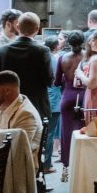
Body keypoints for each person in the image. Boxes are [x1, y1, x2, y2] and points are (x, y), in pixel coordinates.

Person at [0, 70, 46, 179]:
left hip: (19, 168)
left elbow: (17, 150)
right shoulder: (3, 105)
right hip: (4, 159)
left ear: (7, 91)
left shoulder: (26, 114)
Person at [0, 11, 53, 124]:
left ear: (18, 27)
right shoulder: (42, 51)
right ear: (37, 29)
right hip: (36, 107)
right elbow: (48, 80)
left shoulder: (2, 51)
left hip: (9, 107)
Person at [54, 30, 85, 181]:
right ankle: (83, 166)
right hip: (85, 95)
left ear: (68, 43)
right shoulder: (88, 57)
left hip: (67, 96)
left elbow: (56, 81)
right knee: (84, 130)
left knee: (66, 133)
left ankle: (65, 167)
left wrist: (66, 80)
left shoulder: (63, 58)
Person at [44, 35, 63, 174]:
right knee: (49, 133)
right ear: (56, 47)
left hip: (44, 99)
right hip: (54, 100)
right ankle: (46, 164)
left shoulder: (42, 58)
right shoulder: (54, 60)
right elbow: (58, 80)